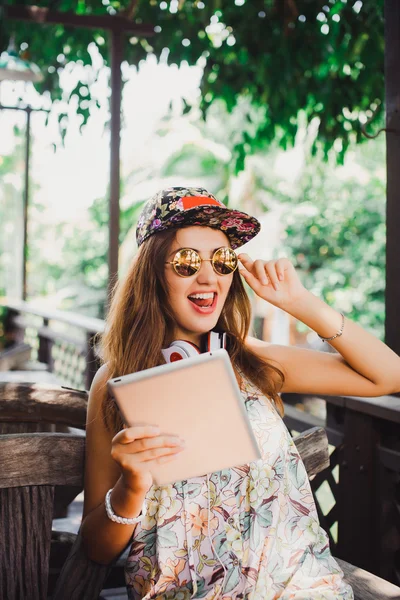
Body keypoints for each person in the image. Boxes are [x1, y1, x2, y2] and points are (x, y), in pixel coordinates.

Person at [81, 186, 400, 600]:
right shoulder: (115, 382)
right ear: (152, 273)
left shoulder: (251, 359)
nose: (209, 276)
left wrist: (300, 303)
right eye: (186, 261)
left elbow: (388, 376)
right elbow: (94, 548)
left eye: (222, 260)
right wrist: (131, 486)